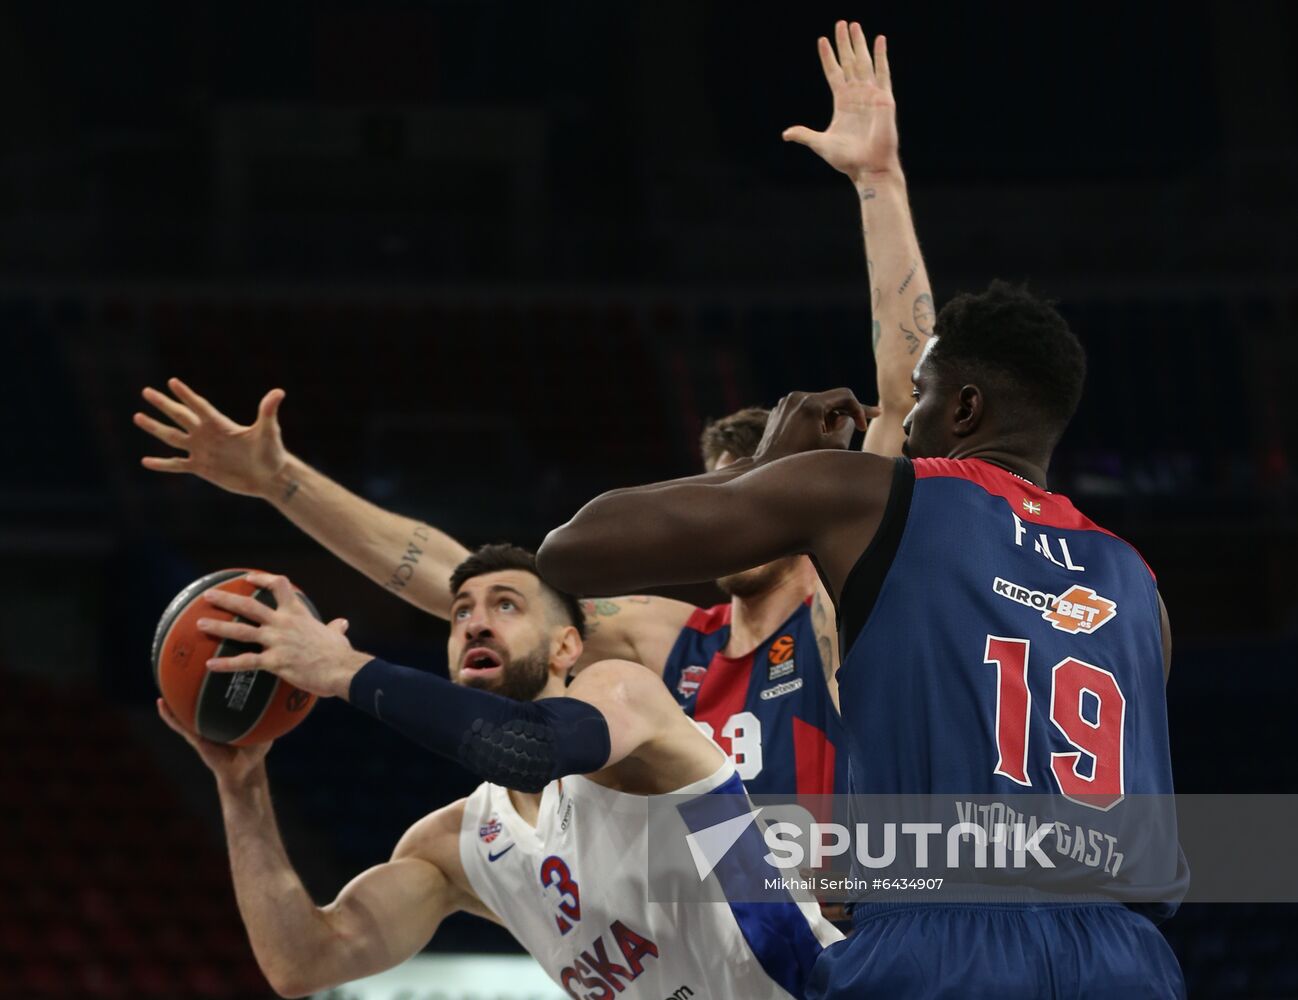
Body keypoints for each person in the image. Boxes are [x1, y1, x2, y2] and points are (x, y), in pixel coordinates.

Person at [536, 23, 1186, 999]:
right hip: (1125, 957)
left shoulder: (873, 495)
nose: (899, 412)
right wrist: (879, 186)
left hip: (940, 943)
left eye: (918, 400)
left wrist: (759, 472)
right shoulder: (1137, 584)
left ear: (961, 407)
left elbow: (572, 551)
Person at [132, 20, 929, 801]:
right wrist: (282, 482)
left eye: (757, 494)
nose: (735, 513)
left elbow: (904, 396)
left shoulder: (840, 605)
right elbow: (457, 578)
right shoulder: (673, 639)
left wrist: (877, 182)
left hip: (859, 918)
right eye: (725, 495)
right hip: (726, 931)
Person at [160, 546, 840, 999]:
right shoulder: (458, 846)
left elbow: (526, 750)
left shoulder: (625, 698)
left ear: (567, 645)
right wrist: (241, 786)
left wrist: (343, 670)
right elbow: (302, 962)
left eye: (506, 605)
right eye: (460, 613)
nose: (476, 623)